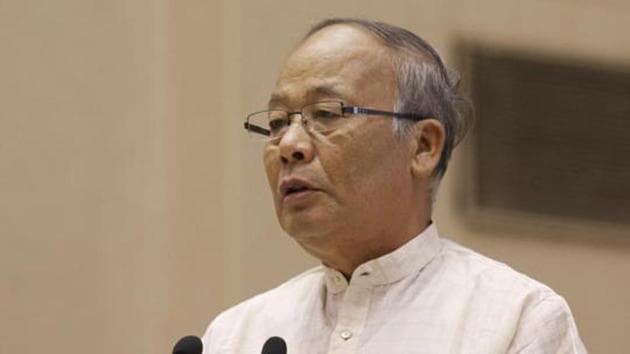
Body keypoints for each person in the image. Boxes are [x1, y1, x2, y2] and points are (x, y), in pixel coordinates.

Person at [202, 18, 586, 353]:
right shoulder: (236, 336)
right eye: (277, 123)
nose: (289, 145)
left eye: (326, 114)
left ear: (423, 146)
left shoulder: (517, 321)